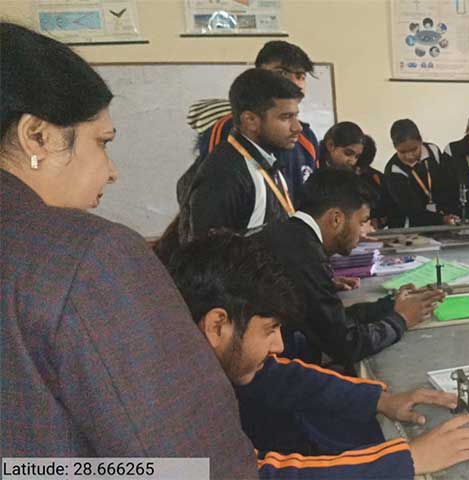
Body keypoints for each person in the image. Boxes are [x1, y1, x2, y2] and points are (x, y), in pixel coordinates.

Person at [0, 22, 254, 477]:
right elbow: (191, 466)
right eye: (102, 142)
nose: (112, 171)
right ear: (37, 136)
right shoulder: (87, 258)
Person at [168, 233, 469, 478]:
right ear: (217, 325)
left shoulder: (196, 353)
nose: (278, 345)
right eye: (269, 330)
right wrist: (404, 461)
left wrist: (380, 400)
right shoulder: (161, 416)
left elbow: (279, 377)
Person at [254, 169, 446, 374]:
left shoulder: (290, 235)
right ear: (336, 219)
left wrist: (389, 305)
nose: (364, 232)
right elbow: (346, 344)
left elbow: (329, 321)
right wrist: (401, 319)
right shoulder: (303, 256)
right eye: (362, 222)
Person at [180, 68, 304, 243]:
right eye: (286, 117)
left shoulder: (266, 160)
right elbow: (207, 253)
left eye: (296, 116)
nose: (297, 127)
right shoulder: (224, 173)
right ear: (250, 120)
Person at [186, 40, 319, 193]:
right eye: (282, 73)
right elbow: (213, 190)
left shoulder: (306, 137)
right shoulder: (232, 127)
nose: (294, 82)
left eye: (300, 76)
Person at [382, 119, 459, 227]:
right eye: (402, 152)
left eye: (414, 150)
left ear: (421, 141)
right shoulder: (393, 170)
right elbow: (411, 210)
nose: (409, 156)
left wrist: (449, 214)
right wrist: (442, 219)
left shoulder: (433, 151)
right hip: (410, 227)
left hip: (442, 219)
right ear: (395, 148)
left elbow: (446, 187)